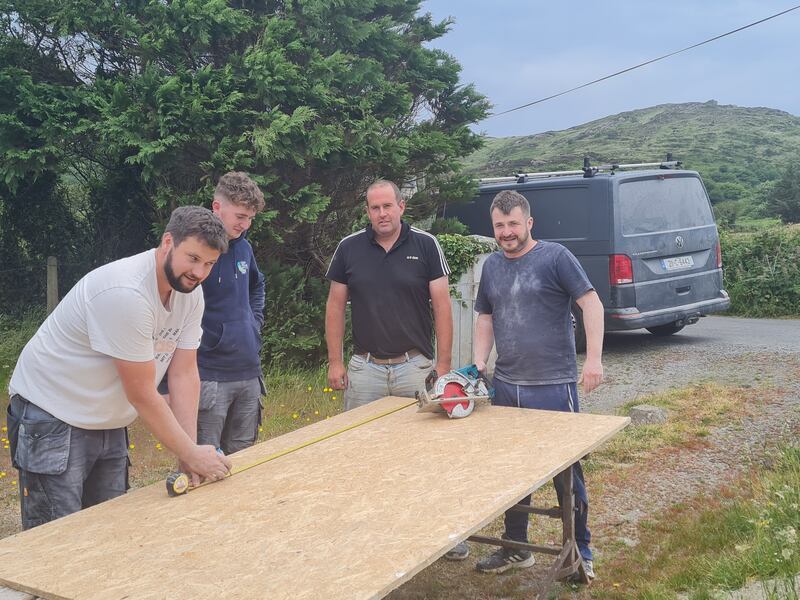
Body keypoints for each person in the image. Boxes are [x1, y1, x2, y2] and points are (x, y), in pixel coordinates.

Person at [7, 206, 233, 529]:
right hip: (52, 413)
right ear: (168, 242)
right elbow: (141, 393)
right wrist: (192, 453)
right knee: (57, 540)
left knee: (110, 531)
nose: (199, 273)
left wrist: (189, 451)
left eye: (209, 264)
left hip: (107, 421)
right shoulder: (126, 293)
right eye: (193, 258)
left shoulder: (190, 296)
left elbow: (184, 374)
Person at [448, 189, 604, 580]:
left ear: (529, 222)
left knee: (567, 471)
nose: (506, 232)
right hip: (507, 385)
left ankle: (580, 550)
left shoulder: (555, 257)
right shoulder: (493, 267)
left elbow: (591, 302)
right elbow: (485, 317)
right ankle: (516, 547)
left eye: (513, 223)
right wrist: (479, 362)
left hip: (553, 385)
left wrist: (595, 360)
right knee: (512, 470)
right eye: (499, 226)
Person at [325, 179, 453, 410]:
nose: (382, 214)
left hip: (414, 367)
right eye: (375, 208)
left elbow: (442, 308)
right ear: (367, 212)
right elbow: (335, 307)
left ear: (401, 207)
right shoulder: (348, 248)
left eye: (387, 206)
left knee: (418, 441)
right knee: (359, 440)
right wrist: (335, 362)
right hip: (365, 370)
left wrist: (443, 365)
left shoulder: (427, 245)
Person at [193, 172, 266, 455]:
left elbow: (257, 285)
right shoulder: (196, 251)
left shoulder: (244, 247)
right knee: (204, 458)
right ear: (216, 207)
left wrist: (253, 321)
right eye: (239, 216)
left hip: (249, 371)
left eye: (250, 218)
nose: (244, 224)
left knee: (245, 458)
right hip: (209, 374)